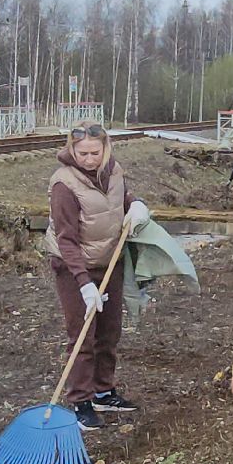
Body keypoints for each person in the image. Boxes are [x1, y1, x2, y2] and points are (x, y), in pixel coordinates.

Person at [44, 122, 151, 430]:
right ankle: (80, 400)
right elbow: (66, 240)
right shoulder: (64, 184)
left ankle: (103, 391)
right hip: (72, 265)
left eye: (95, 152)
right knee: (83, 335)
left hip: (109, 260)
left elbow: (121, 198)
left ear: (105, 149)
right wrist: (83, 283)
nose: (90, 159)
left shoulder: (113, 170)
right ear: (71, 150)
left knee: (109, 331)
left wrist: (136, 205)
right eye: (83, 153)